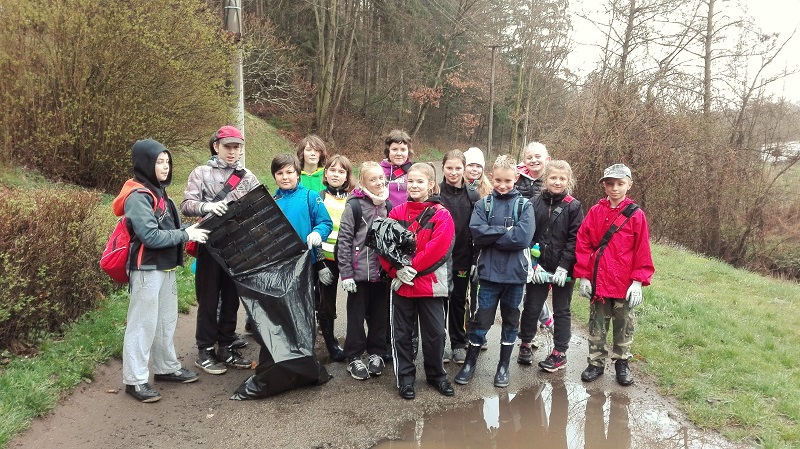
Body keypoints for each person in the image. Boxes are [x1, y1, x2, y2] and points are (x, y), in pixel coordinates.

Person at [117, 139, 209, 402]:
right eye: (159, 162)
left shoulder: (159, 191)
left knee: (165, 321)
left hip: (165, 266)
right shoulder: (138, 196)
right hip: (146, 268)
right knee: (142, 325)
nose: (165, 167)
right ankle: (135, 381)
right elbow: (150, 236)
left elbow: (166, 229)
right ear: (145, 163)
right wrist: (186, 234)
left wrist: (188, 230)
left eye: (167, 161)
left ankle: (166, 368)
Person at [181, 126, 260, 375]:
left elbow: (258, 205)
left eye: (237, 147)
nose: (232, 151)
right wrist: (206, 207)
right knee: (208, 299)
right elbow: (186, 204)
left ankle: (226, 345)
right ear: (216, 146)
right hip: (209, 242)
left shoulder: (247, 176)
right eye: (228, 146)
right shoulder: (201, 172)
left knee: (231, 297)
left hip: (236, 244)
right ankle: (205, 349)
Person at [456, 155, 535, 388]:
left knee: (511, 321)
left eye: (507, 181)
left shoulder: (525, 206)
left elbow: (523, 238)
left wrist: (493, 234)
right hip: (489, 275)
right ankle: (469, 363)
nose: (502, 185)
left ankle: (503, 366)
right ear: (491, 177)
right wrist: (506, 231)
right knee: (481, 320)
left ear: (516, 178)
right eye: (498, 180)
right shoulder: (483, 205)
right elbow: (477, 234)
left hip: (515, 276)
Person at [573, 163, 654, 386]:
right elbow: (583, 243)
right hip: (599, 281)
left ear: (629, 185)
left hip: (623, 283)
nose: (615, 188)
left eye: (620, 183)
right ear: (604, 186)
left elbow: (642, 249)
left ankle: (622, 362)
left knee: (624, 325)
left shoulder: (636, 215)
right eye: (610, 184)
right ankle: (596, 362)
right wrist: (584, 275)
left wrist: (638, 282)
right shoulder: (595, 212)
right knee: (597, 324)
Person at [379, 162, 456, 400]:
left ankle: (436, 375)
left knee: (436, 334)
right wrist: (395, 271)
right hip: (402, 286)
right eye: (410, 181)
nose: (413, 185)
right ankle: (405, 379)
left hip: (430, 286)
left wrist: (409, 268)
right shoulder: (396, 213)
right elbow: (383, 245)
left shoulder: (442, 214)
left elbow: (438, 249)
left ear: (431, 184)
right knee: (402, 335)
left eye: (420, 181)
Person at [517, 160, 584, 372]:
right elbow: (528, 235)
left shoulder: (574, 206)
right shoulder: (533, 203)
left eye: (562, 179)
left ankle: (560, 352)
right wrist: (533, 265)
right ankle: (525, 343)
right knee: (532, 306)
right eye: (553, 178)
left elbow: (575, 239)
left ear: (568, 181)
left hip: (564, 269)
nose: (557, 182)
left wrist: (564, 266)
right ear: (545, 179)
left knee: (562, 309)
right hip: (539, 267)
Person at [337, 161, 391, 380]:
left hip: (381, 274)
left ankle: (377, 352)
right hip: (358, 274)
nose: (378, 183)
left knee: (380, 316)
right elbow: (344, 241)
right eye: (372, 179)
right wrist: (346, 274)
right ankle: (354, 356)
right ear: (362, 182)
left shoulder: (387, 204)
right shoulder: (354, 206)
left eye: (381, 178)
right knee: (356, 318)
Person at [271, 153, 334, 300]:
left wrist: (318, 233)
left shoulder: (310, 196)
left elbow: (325, 223)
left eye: (289, 172)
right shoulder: (273, 201)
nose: (285, 177)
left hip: (306, 263)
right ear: (274, 176)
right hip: (280, 264)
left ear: (298, 174)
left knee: (303, 303)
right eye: (279, 173)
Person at [438, 150, 477, 364]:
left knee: (459, 301)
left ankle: (458, 344)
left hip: (462, 259)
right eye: (449, 168)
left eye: (458, 168)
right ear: (443, 168)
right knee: (439, 302)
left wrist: (475, 260)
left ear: (464, 169)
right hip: (439, 260)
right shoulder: (436, 193)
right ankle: (440, 343)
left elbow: (476, 230)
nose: (453, 172)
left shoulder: (473, 195)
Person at [316, 154, 355, 362]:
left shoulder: (353, 198)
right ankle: (331, 343)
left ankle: (357, 341)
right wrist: (319, 262)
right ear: (325, 173)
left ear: (347, 176)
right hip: (326, 260)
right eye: (332, 170)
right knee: (326, 304)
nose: (336, 174)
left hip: (349, 258)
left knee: (357, 300)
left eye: (341, 171)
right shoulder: (318, 197)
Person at [380, 129, 414, 207]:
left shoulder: (414, 170)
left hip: (407, 213)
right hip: (385, 213)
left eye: (403, 150)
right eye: (394, 149)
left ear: (408, 151)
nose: (399, 154)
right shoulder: (378, 170)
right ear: (388, 151)